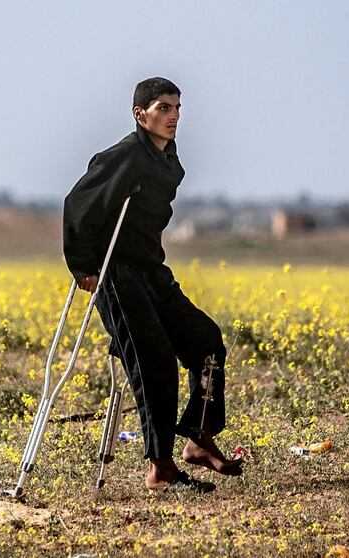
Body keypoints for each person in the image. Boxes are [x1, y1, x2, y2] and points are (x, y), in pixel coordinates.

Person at [63, 77, 241, 492]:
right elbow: (77, 204)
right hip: (117, 275)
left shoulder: (168, 160)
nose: (173, 115)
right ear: (140, 114)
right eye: (163, 107)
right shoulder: (123, 157)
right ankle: (160, 468)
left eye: (177, 107)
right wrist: (82, 266)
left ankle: (199, 436)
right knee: (155, 361)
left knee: (207, 342)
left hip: (152, 272)